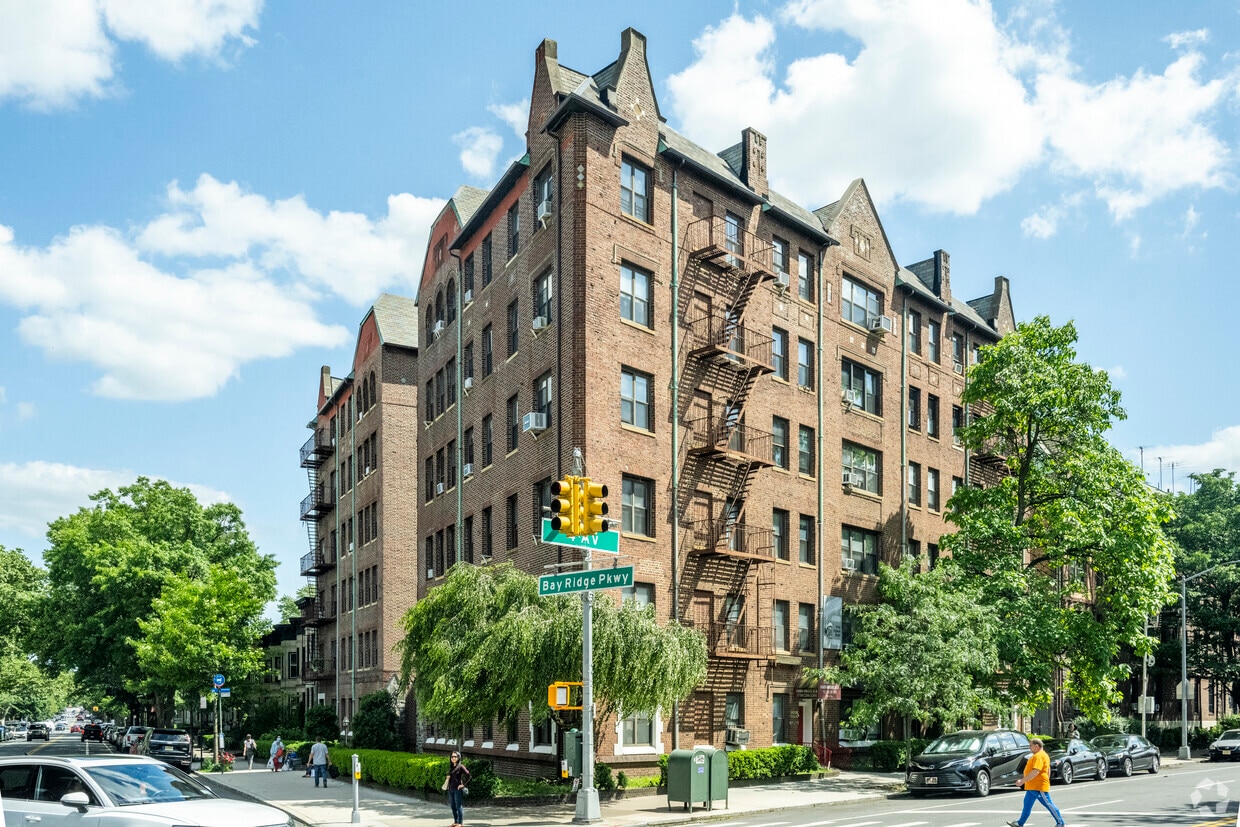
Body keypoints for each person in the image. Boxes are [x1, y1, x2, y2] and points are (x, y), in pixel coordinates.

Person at [1008, 738, 1065, 827]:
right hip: (1032, 786)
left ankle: (1060, 823)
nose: (1029, 747)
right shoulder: (1042, 755)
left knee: (1049, 804)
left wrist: (1022, 781)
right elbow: (1048, 769)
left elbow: (1036, 771)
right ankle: (1020, 823)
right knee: (1027, 805)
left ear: (1036, 746)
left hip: (1038, 786)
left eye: (1030, 745)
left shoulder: (1039, 756)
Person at [445, 751, 471, 827]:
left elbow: (469, 775)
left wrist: (463, 785)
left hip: (457, 789)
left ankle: (460, 823)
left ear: (458, 757)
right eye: (452, 757)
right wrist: (448, 777)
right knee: (453, 806)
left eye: (455, 757)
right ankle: (456, 822)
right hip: (451, 789)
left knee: (458, 806)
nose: (453, 758)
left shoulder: (461, 767)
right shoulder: (451, 767)